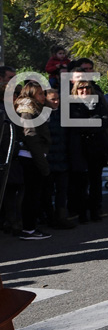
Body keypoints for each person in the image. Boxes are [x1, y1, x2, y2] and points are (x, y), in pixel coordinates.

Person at [68, 79, 108, 222]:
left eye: (87, 87)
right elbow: (74, 124)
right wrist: (93, 121)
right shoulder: (71, 104)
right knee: (80, 182)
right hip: (79, 147)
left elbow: (105, 121)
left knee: (95, 180)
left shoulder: (98, 102)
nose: (84, 90)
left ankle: (95, 210)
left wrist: (89, 122)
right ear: (76, 90)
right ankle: (81, 212)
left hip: (96, 146)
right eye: (81, 88)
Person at [14, 81, 52, 240]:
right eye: (40, 94)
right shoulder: (27, 109)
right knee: (31, 195)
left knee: (33, 194)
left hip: (33, 157)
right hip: (30, 158)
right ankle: (28, 229)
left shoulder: (33, 108)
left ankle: (29, 226)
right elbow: (31, 136)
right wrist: (42, 164)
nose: (44, 97)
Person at [44, 88, 75, 229]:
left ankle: (61, 216)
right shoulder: (42, 116)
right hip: (48, 159)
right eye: (53, 99)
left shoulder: (63, 114)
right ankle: (49, 217)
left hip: (62, 158)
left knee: (62, 190)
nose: (56, 102)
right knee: (48, 191)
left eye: (58, 99)